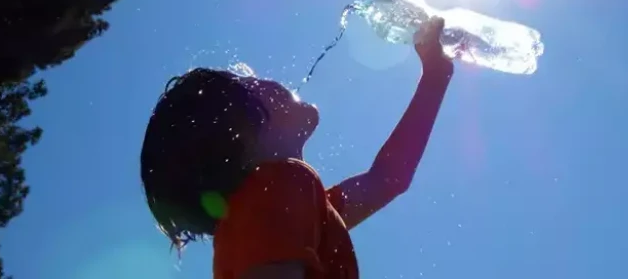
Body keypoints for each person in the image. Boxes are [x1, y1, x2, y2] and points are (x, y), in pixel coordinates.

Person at [140, 17, 454, 279]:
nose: (268, 80)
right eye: (252, 83)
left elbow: (388, 178)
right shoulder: (280, 185)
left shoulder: (287, 209)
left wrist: (436, 76)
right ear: (242, 134)